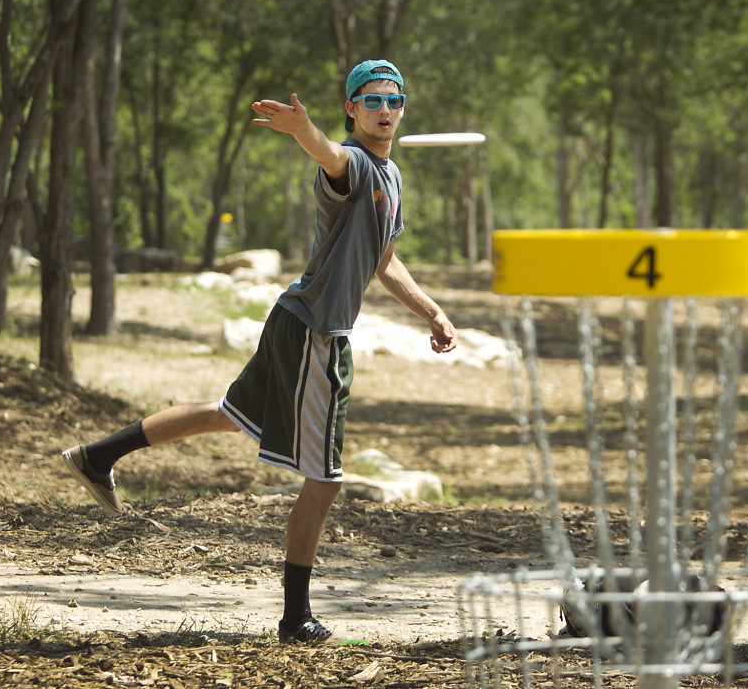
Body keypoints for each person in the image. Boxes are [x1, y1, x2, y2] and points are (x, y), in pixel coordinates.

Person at [61, 59, 458, 644]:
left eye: (393, 100)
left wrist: (433, 312)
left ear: (403, 107)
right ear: (351, 108)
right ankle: (295, 619)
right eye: (370, 100)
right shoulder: (352, 166)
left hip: (294, 321)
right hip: (315, 335)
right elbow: (330, 156)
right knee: (325, 483)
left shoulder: (391, 177)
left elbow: (385, 262)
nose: (384, 110)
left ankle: (98, 456)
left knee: (228, 415)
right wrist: (304, 131)